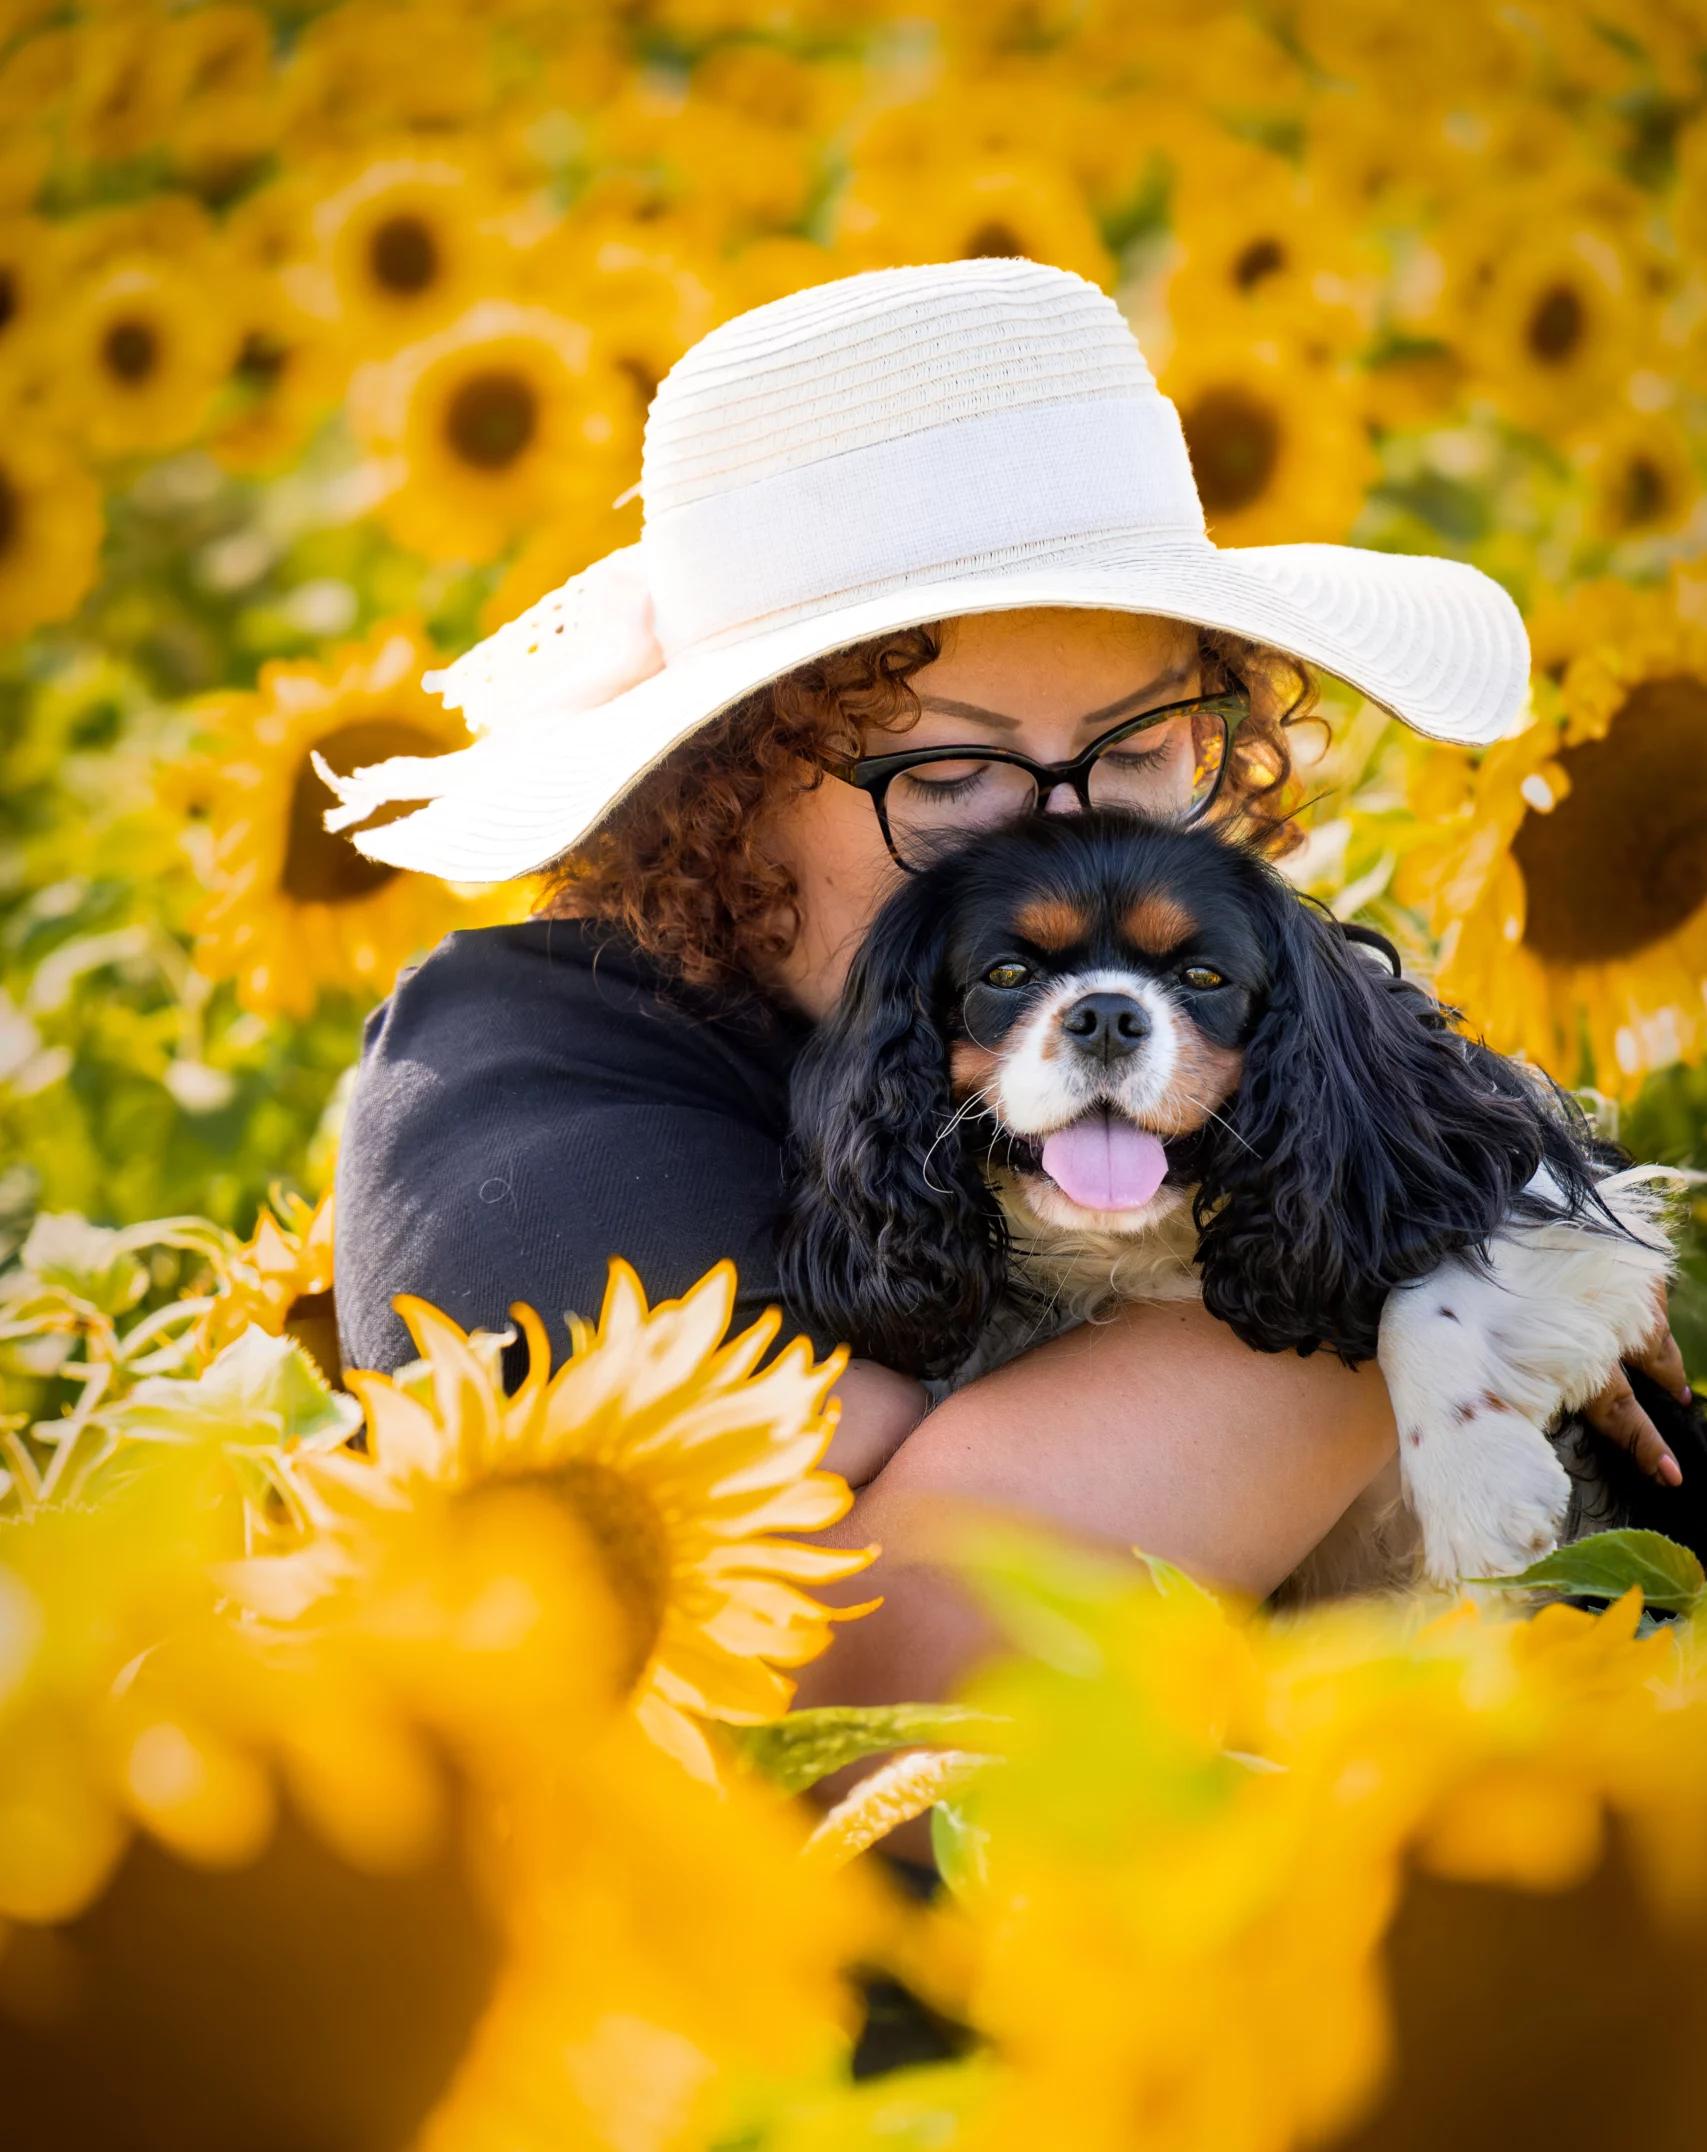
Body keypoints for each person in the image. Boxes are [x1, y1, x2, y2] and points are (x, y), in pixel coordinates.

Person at [328, 259, 1685, 1707]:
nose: (1068, 835)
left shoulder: (1223, 981)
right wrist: (1423, 1257)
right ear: (715, 794)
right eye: (953, 770)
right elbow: (867, 1687)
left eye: (1143, 743)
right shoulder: (527, 1068)